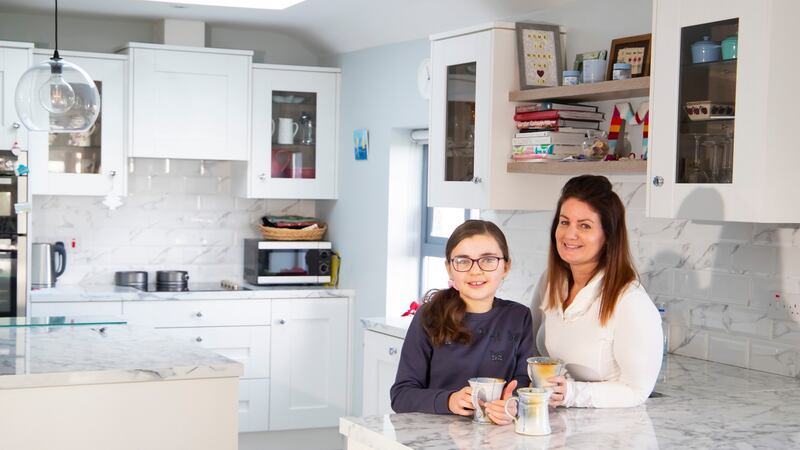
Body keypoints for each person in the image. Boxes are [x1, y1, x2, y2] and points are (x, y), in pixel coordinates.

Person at [530, 175, 663, 408]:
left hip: (613, 435)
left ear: (608, 237)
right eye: (564, 222)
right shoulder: (550, 283)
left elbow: (637, 391)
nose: (569, 235)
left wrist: (571, 393)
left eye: (585, 226)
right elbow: (532, 346)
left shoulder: (630, 302)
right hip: (561, 426)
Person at [391, 220, 534, 424]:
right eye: (463, 261)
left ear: (506, 267)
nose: (475, 271)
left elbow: (524, 385)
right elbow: (401, 396)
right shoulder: (429, 316)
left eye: (488, 260)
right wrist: (449, 401)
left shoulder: (519, 317)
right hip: (434, 437)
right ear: (449, 269)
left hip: (497, 438)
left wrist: (513, 404)